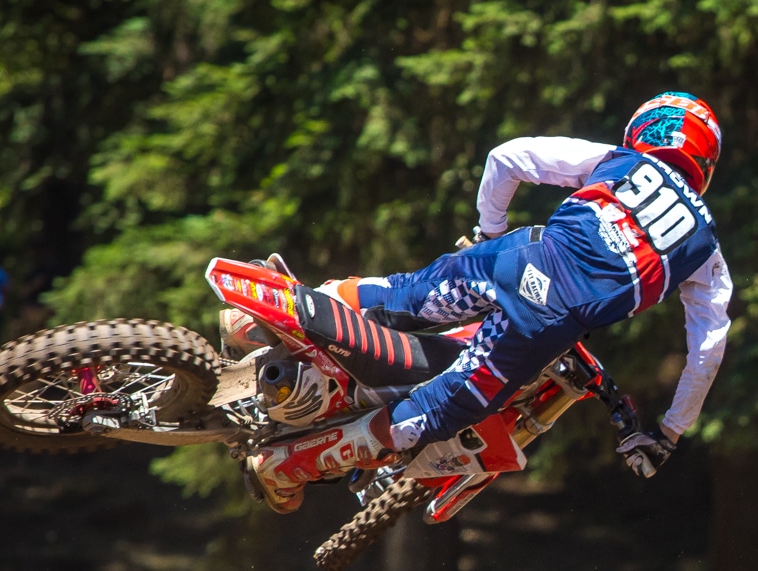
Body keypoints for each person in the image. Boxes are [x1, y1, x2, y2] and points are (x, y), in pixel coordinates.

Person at [243, 92, 733, 513]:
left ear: (642, 130)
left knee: (402, 293)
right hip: (544, 321)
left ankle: (277, 309)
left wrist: (488, 232)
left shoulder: (620, 160)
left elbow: (508, 156)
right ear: (705, 163)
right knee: (438, 412)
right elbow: (707, 352)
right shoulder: (706, 252)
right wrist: (668, 433)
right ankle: (289, 467)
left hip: (515, 257)